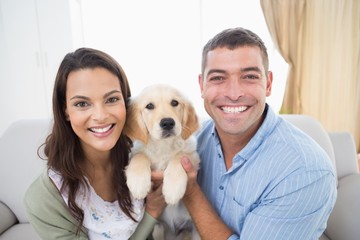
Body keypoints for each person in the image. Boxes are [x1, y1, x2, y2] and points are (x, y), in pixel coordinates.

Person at [180, 27, 337, 239]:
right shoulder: (193, 141)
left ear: (269, 83)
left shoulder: (304, 173)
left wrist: (190, 193)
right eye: (218, 78)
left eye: (249, 76)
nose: (234, 94)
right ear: (202, 86)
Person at [24, 48, 166, 240]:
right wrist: (152, 212)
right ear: (65, 110)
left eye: (112, 99)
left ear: (126, 102)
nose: (100, 116)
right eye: (82, 104)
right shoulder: (43, 198)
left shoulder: (138, 157)